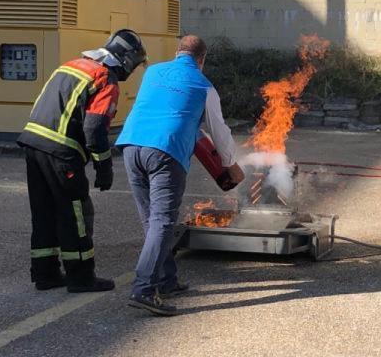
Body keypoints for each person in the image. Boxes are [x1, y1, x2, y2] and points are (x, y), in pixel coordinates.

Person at [116, 35, 244, 316]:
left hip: (130, 146)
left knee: (151, 219)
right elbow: (219, 132)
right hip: (165, 151)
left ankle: (166, 279)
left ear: (177, 53)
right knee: (162, 221)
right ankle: (144, 290)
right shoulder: (204, 85)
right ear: (202, 60)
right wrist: (230, 164)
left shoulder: (152, 72)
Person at [18, 30, 147, 292]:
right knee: (75, 213)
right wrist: (104, 166)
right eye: (133, 64)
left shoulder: (72, 65)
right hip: (61, 151)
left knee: (43, 211)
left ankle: (46, 274)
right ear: (124, 58)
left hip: (33, 144)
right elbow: (95, 128)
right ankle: (81, 277)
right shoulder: (105, 78)